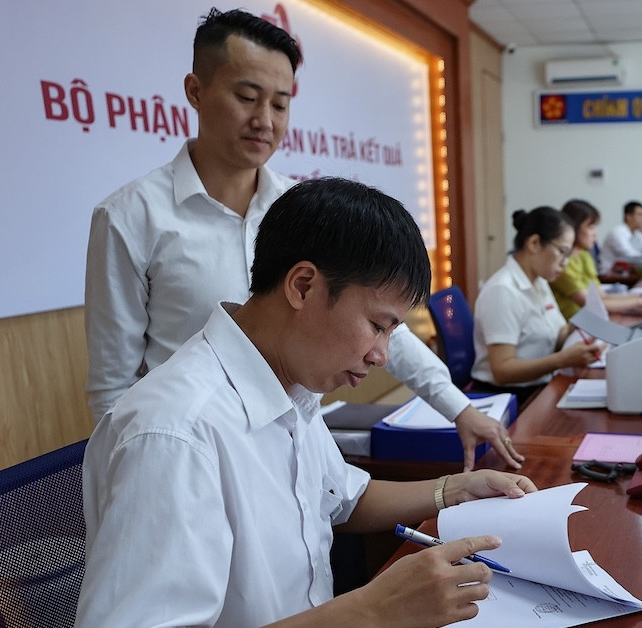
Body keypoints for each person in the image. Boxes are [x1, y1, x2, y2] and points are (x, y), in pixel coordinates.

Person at [75, 177, 537, 628]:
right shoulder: (175, 435)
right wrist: (372, 612)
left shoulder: (292, 383)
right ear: (302, 286)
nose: (381, 355)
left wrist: (456, 489)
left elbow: (343, 500)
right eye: (378, 326)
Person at [84, 7, 520, 471]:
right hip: (195, 456)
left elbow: (380, 324)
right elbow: (114, 384)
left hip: (298, 448)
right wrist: (136, 476)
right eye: (246, 97)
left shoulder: (300, 207)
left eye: (279, 104)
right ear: (195, 91)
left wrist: (459, 408)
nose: (264, 120)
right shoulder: (130, 216)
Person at [470, 207, 602, 405]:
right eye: (562, 252)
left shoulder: (540, 281)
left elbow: (555, 336)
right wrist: (562, 359)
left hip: (539, 385)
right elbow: (502, 371)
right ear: (534, 243)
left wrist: (580, 328)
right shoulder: (502, 290)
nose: (565, 263)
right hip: (510, 396)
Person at [551, 198, 642, 321]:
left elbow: (602, 296)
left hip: (590, 321)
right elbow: (593, 304)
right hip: (576, 326)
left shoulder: (584, 256)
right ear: (574, 227)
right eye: (591, 227)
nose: (595, 234)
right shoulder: (563, 263)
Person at [601, 200, 642, 265]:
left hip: (630, 269)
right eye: (640, 215)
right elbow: (633, 257)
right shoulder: (617, 233)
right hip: (610, 271)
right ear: (628, 216)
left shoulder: (637, 235)